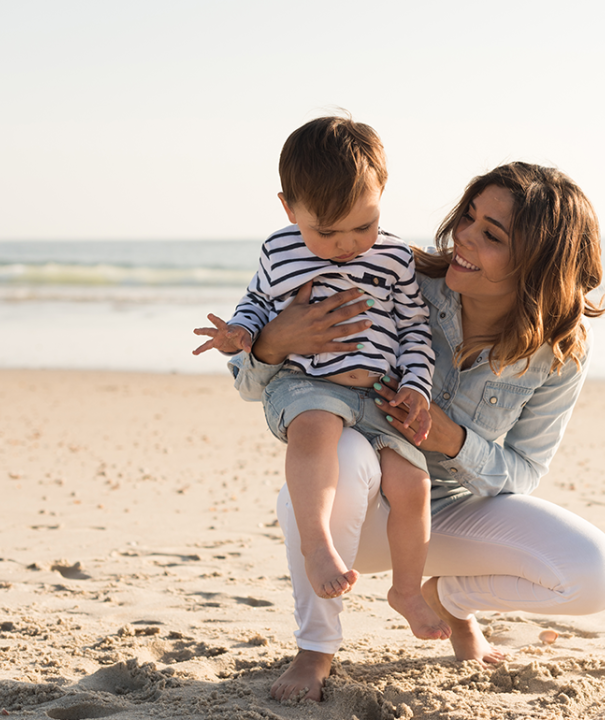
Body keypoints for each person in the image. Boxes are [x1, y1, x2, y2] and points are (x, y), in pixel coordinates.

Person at [229, 161, 605, 703]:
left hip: (441, 515)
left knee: (596, 575)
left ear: (537, 262)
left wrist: (453, 440)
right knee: (347, 452)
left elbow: (524, 471)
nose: (462, 235)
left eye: (490, 234)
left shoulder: (559, 352)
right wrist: (274, 341)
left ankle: (449, 599)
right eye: (468, 216)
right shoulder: (394, 271)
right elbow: (256, 385)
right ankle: (316, 647)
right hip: (350, 508)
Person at [193, 115, 450, 642]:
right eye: (325, 231)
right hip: (308, 382)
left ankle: (406, 589)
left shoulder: (397, 257)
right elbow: (259, 303)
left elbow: (414, 329)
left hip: (376, 395)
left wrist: (415, 387)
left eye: (364, 225)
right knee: (315, 430)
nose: (346, 244)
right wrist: (241, 334)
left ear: (382, 194)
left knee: (413, 483)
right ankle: (315, 543)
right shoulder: (279, 250)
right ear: (289, 209)